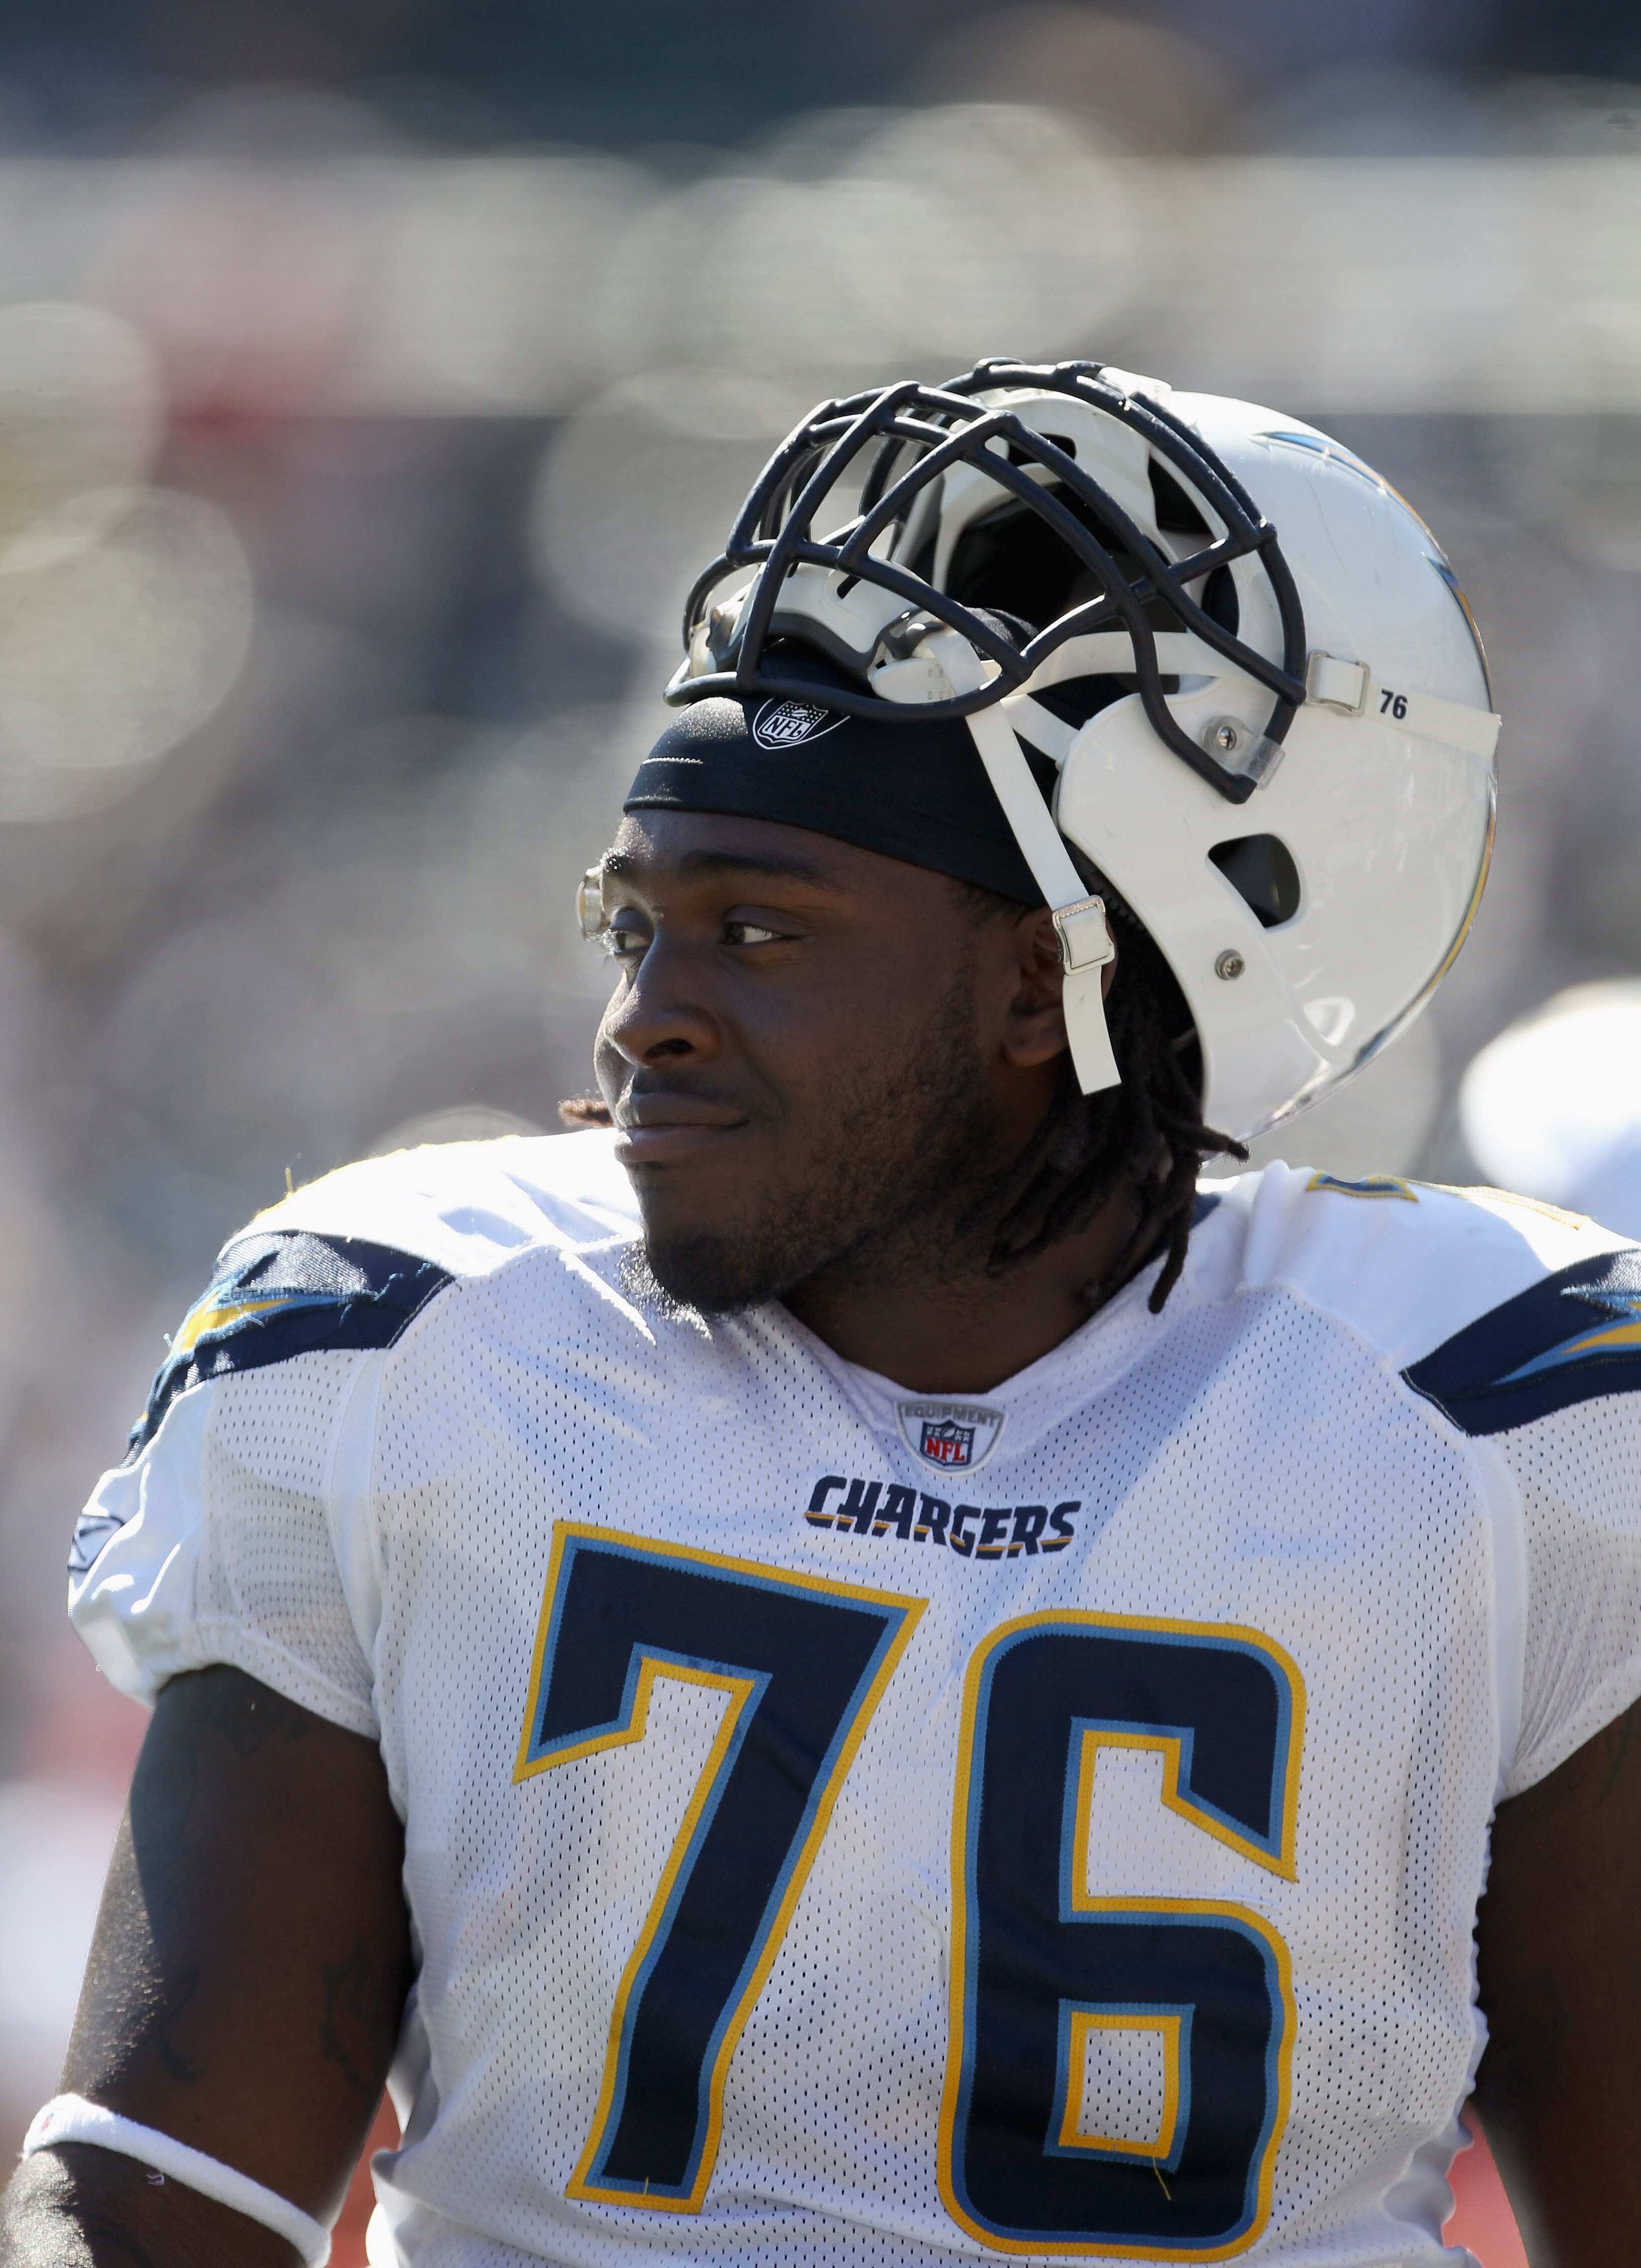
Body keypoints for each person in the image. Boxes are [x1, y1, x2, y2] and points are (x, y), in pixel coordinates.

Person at [3, 358, 1635, 2268]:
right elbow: (159, 2178)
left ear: (1050, 983)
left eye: (761, 931)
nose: (643, 1021)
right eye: (639, 924)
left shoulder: (1501, 1422)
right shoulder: (412, 1341)